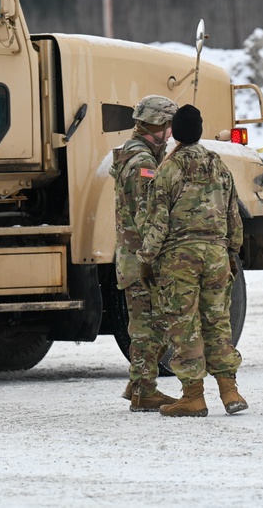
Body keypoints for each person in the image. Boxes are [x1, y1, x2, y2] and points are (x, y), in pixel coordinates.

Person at [137, 104, 247, 417]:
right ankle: (230, 390)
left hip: (179, 258)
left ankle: (193, 397)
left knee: (184, 326)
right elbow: (232, 213)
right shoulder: (218, 164)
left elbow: (158, 220)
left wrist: (147, 259)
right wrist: (232, 251)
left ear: (175, 132)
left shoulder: (168, 169)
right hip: (215, 255)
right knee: (217, 321)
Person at [110, 94, 180, 412]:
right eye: (168, 125)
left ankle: (139, 385)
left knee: (148, 324)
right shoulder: (143, 163)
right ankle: (143, 390)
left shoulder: (135, 152)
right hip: (141, 258)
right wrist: (155, 253)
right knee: (151, 326)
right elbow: (146, 213)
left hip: (133, 256)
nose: (171, 132)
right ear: (158, 124)